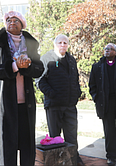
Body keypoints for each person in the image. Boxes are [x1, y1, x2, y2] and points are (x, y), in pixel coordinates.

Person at [0, 10, 44, 166]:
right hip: (4, 105)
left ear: (22, 25)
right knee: (5, 145)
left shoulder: (30, 44)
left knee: (26, 146)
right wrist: (13, 66)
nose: (12, 23)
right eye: (9, 21)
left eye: (16, 21)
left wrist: (28, 65)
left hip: (25, 106)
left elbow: (40, 69)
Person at [35, 34, 84, 166]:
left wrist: (77, 93)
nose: (62, 45)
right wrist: (51, 93)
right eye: (60, 43)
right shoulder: (46, 58)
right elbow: (39, 80)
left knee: (72, 136)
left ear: (68, 45)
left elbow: (75, 79)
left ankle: (74, 160)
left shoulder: (71, 60)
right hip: (54, 104)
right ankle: (55, 162)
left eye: (65, 43)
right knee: (55, 137)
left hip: (70, 105)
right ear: (55, 44)